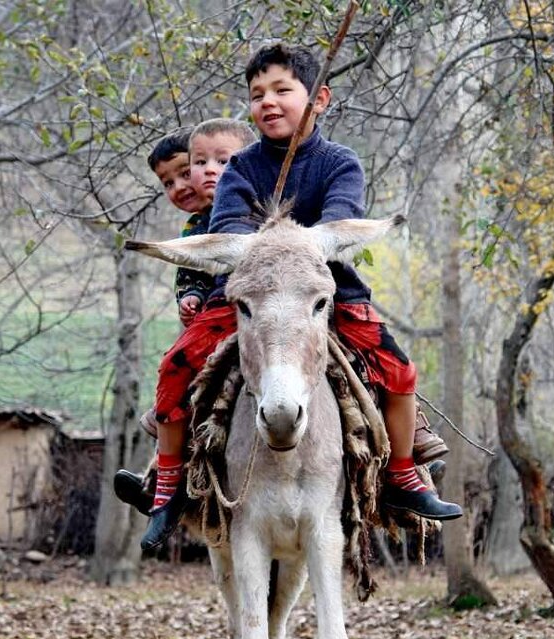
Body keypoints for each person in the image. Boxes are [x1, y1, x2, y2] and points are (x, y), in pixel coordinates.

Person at [208, 43, 461, 523]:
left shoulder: (340, 162)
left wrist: (296, 246)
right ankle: (168, 475)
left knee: (400, 371)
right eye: (257, 93)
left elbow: (340, 222)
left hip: (330, 292)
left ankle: (404, 473)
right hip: (251, 295)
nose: (268, 101)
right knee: (181, 364)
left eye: (283, 89)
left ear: (319, 99)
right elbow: (228, 227)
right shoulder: (240, 167)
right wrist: (266, 252)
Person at [114, 119, 257, 519]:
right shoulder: (195, 225)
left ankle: (405, 457)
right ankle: (163, 479)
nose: (180, 187)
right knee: (181, 378)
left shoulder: (250, 203)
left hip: (262, 305)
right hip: (213, 319)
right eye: (168, 182)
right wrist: (191, 296)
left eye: (184, 173)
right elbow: (190, 275)